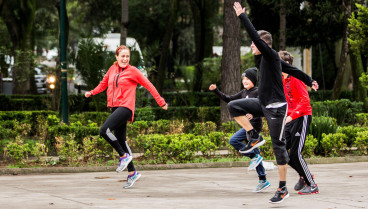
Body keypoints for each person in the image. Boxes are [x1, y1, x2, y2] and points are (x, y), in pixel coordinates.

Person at [232, 2, 319, 203]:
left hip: (288, 112)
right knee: (234, 107)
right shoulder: (269, 62)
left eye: (255, 44)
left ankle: (299, 184)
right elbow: (294, 70)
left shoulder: (269, 54)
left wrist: (242, 15)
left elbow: (255, 36)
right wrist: (310, 79)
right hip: (274, 109)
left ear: (263, 43)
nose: (252, 46)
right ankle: (253, 136)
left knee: (288, 151)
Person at [85, 45, 168, 189]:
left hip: (126, 108)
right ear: (116, 57)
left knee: (104, 131)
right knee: (122, 141)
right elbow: (103, 84)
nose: (125, 59)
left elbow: (149, 86)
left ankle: (123, 156)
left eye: (127, 56)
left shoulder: (133, 71)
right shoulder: (112, 70)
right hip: (115, 108)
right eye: (122, 56)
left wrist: (161, 102)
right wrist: (91, 92)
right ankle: (132, 173)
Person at [209, 67, 270, 193]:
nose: (245, 81)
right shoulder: (243, 93)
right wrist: (216, 91)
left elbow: (263, 107)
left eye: (247, 79)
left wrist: (254, 114)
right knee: (253, 149)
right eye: (243, 79)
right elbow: (229, 99)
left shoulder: (258, 91)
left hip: (254, 126)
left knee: (234, 140)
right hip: (247, 126)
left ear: (253, 80)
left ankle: (258, 167)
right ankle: (263, 179)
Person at [279, 50, 319, 195]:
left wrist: (292, 115)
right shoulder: (280, 80)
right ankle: (303, 175)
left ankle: (312, 184)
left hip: (302, 116)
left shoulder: (297, 78)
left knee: (295, 153)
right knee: (282, 152)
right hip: (289, 118)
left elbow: (304, 101)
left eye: (286, 64)